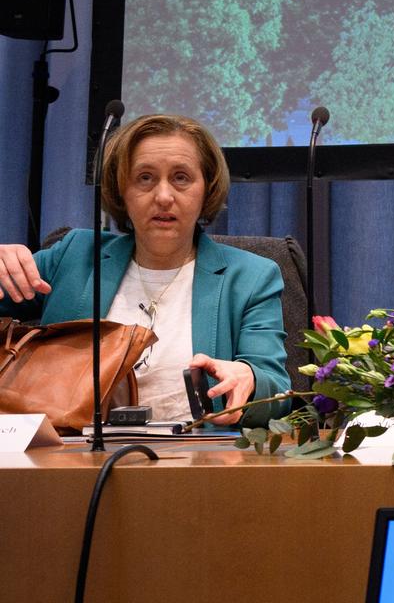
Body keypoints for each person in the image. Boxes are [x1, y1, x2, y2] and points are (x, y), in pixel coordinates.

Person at [0, 113, 289, 425]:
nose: (163, 197)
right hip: (71, 458)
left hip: (198, 459)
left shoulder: (251, 277)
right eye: (145, 178)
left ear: (207, 188)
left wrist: (249, 378)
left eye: (181, 178)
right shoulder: (74, 256)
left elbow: (276, 390)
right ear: (122, 190)